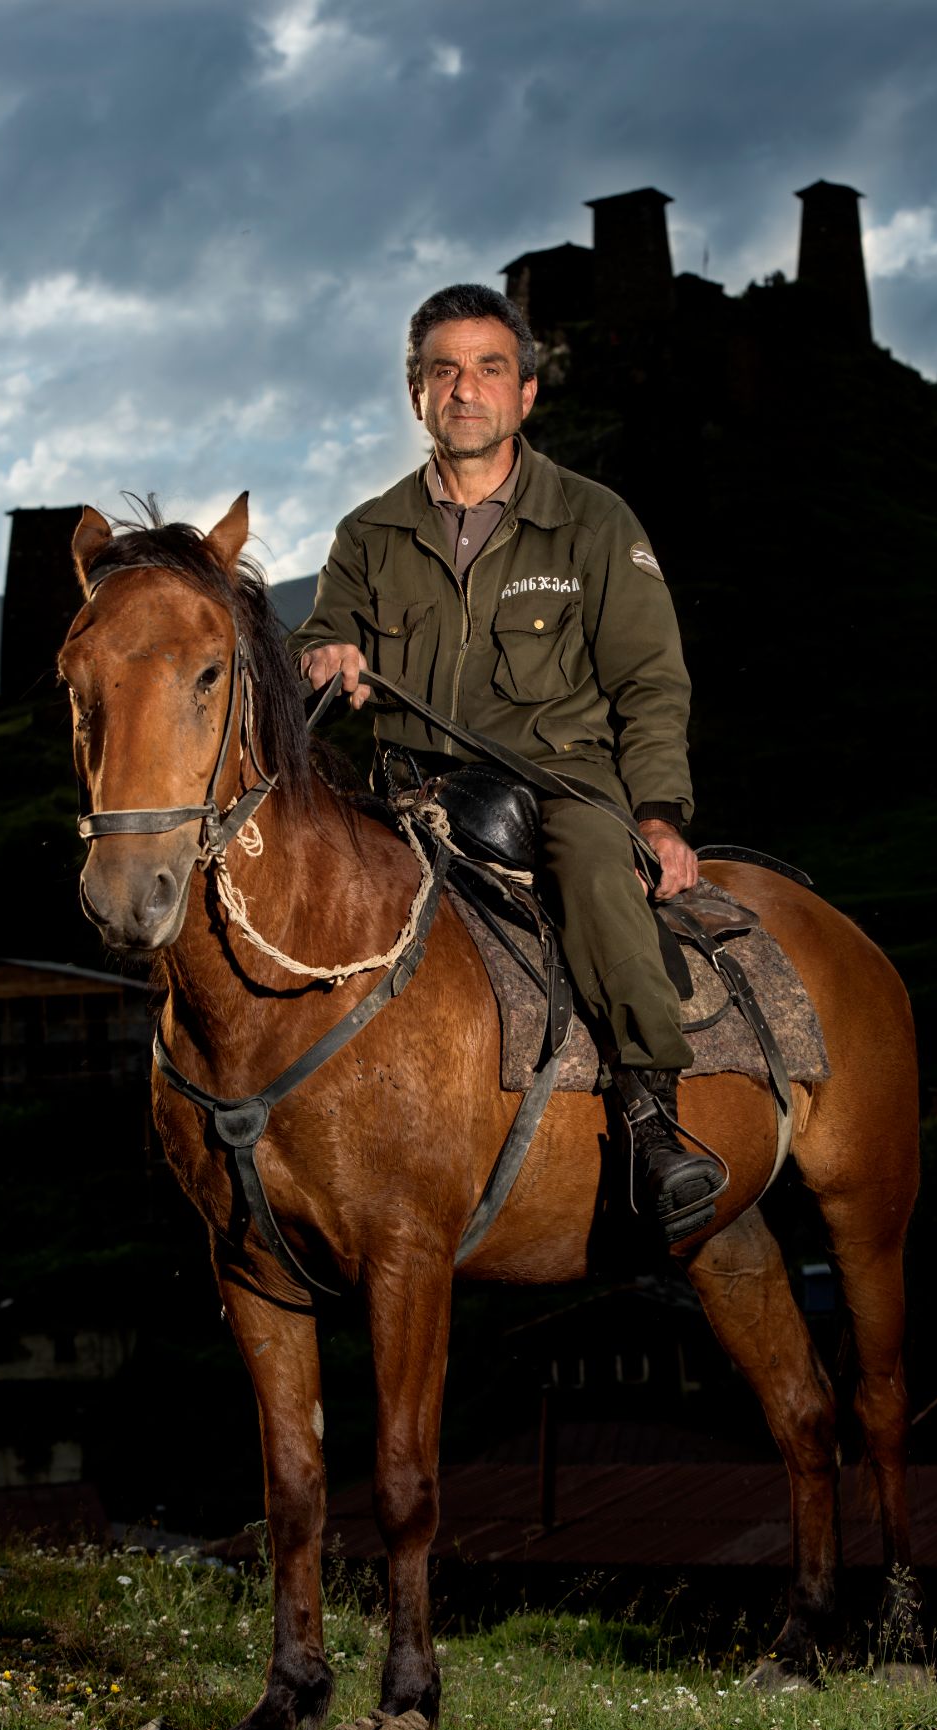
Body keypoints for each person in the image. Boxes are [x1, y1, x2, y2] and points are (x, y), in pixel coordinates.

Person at [287, 282, 724, 1243]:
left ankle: (656, 1119)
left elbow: (651, 682)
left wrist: (656, 814)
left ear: (527, 394)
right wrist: (326, 652)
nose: (466, 389)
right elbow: (322, 632)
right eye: (444, 371)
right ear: (417, 396)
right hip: (410, 793)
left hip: (559, 786)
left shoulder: (595, 523)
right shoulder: (369, 531)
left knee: (602, 880)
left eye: (491, 369)